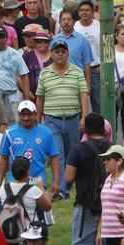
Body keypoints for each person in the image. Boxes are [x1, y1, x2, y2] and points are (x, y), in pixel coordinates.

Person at [36, 38, 90, 195]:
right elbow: (40, 97)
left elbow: (83, 95)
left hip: (73, 118)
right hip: (52, 119)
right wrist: (38, 119)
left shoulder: (77, 72)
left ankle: (69, 182)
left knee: (71, 154)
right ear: (51, 54)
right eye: (56, 51)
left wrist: (84, 117)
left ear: (68, 53)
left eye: (62, 51)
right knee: (57, 154)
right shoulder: (45, 73)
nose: (60, 54)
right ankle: (60, 189)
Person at [65, 114, 112, 245]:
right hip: (110, 206)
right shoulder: (113, 148)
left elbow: (69, 177)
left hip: (85, 205)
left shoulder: (79, 149)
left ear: (86, 129)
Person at [0, 101, 61, 195]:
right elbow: (4, 158)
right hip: (15, 182)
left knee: (41, 209)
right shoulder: (9, 133)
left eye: (29, 114)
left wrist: (56, 181)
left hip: (38, 182)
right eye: (22, 115)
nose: (25, 118)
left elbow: (54, 157)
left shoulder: (46, 132)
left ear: (35, 114)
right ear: (18, 115)